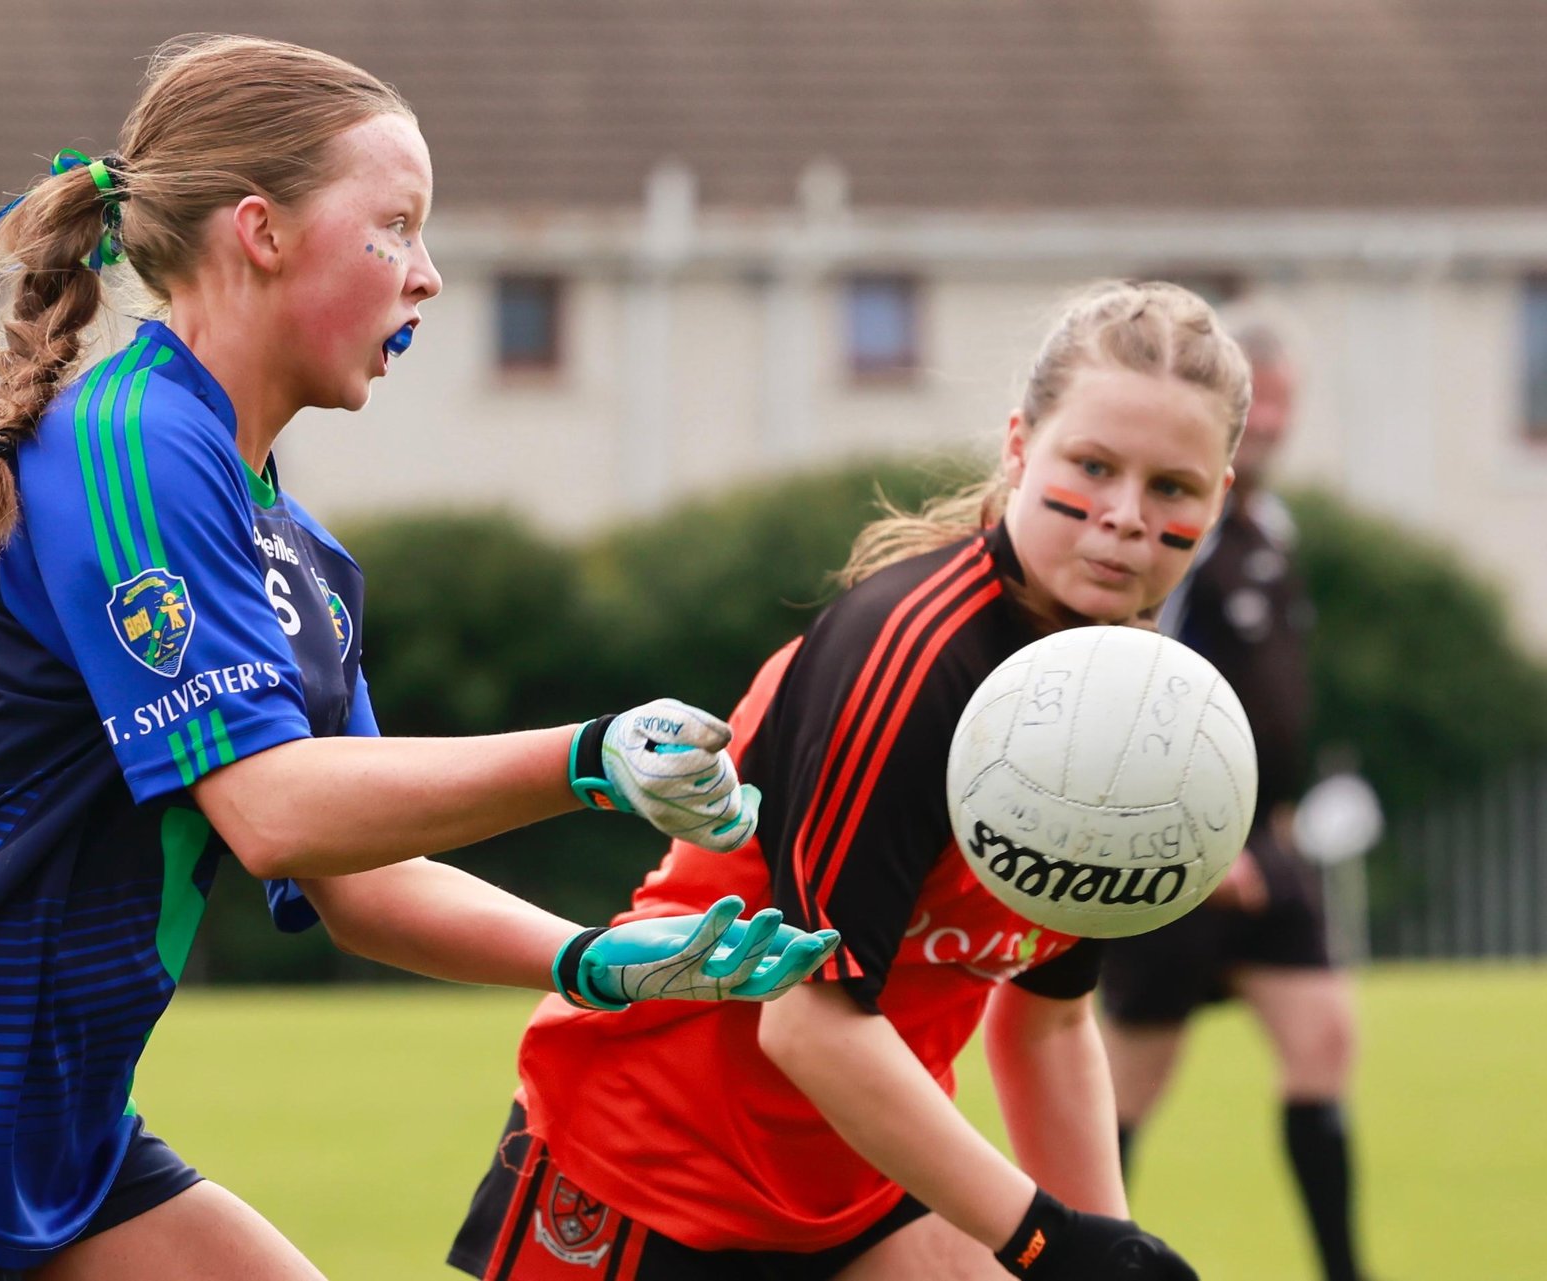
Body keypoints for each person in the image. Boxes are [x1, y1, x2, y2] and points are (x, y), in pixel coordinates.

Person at [0, 35, 836, 1281]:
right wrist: (592, 757)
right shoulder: (130, 440)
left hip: (44, 1141)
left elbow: (361, 877)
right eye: (396, 225)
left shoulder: (301, 554)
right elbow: (273, 812)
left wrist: (592, 958)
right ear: (261, 232)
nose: (430, 278)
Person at [450, 280, 1249, 1281]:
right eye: (1093, 466)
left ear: (1220, 496)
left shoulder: (1127, 706)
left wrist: (1108, 1246)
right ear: (1018, 447)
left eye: (1173, 487)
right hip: (652, 1170)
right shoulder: (911, 657)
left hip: (859, 1175)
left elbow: (1045, 1023)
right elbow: (811, 1021)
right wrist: (1047, 1241)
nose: (1126, 518)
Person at [1099, 316, 1370, 1281]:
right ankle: (1085, 1261)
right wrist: (1194, 845)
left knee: (1325, 1038)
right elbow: (1132, 679)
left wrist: (1281, 824)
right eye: (1264, 399)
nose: (1276, 420)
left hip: (1270, 845)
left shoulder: (1275, 525)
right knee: (1128, 1085)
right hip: (1176, 849)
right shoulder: (1182, 530)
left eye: (1290, 400)